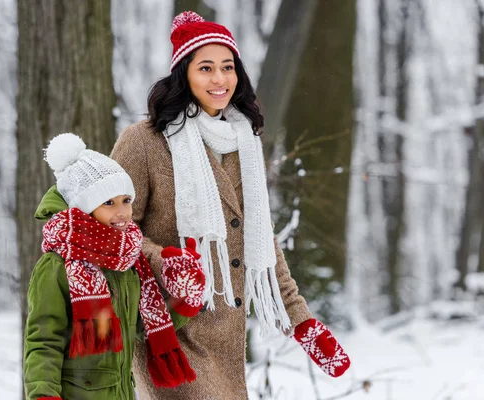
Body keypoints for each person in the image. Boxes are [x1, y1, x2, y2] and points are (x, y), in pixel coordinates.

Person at [110, 11, 351, 399]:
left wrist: (302, 322)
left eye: (227, 67)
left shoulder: (244, 142)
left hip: (226, 335)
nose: (220, 79)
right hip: (168, 328)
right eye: (206, 68)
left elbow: (260, 239)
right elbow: (114, 227)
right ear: (183, 74)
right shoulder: (143, 141)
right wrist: (165, 260)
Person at [23, 133, 198, 400]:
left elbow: (139, 326)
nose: (122, 212)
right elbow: (43, 340)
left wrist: (183, 297)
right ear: (84, 208)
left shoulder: (127, 262)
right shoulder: (57, 265)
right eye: (108, 203)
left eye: (126, 200)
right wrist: (43, 394)